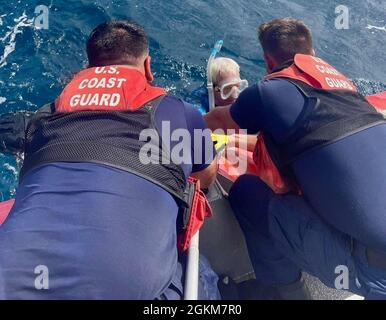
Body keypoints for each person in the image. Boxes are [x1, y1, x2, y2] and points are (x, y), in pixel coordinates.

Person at [0, 20, 218, 300]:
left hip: (11, 277)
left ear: (88, 67)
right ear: (148, 66)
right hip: (126, 286)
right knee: (200, 273)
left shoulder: (44, 115)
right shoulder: (180, 111)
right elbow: (207, 174)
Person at [205, 17, 386, 299]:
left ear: (267, 61)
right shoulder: (348, 92)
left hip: (373, 271)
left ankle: (284, 291)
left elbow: (218, 120)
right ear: (312, 55)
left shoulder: (268, 92)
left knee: (247, 193)